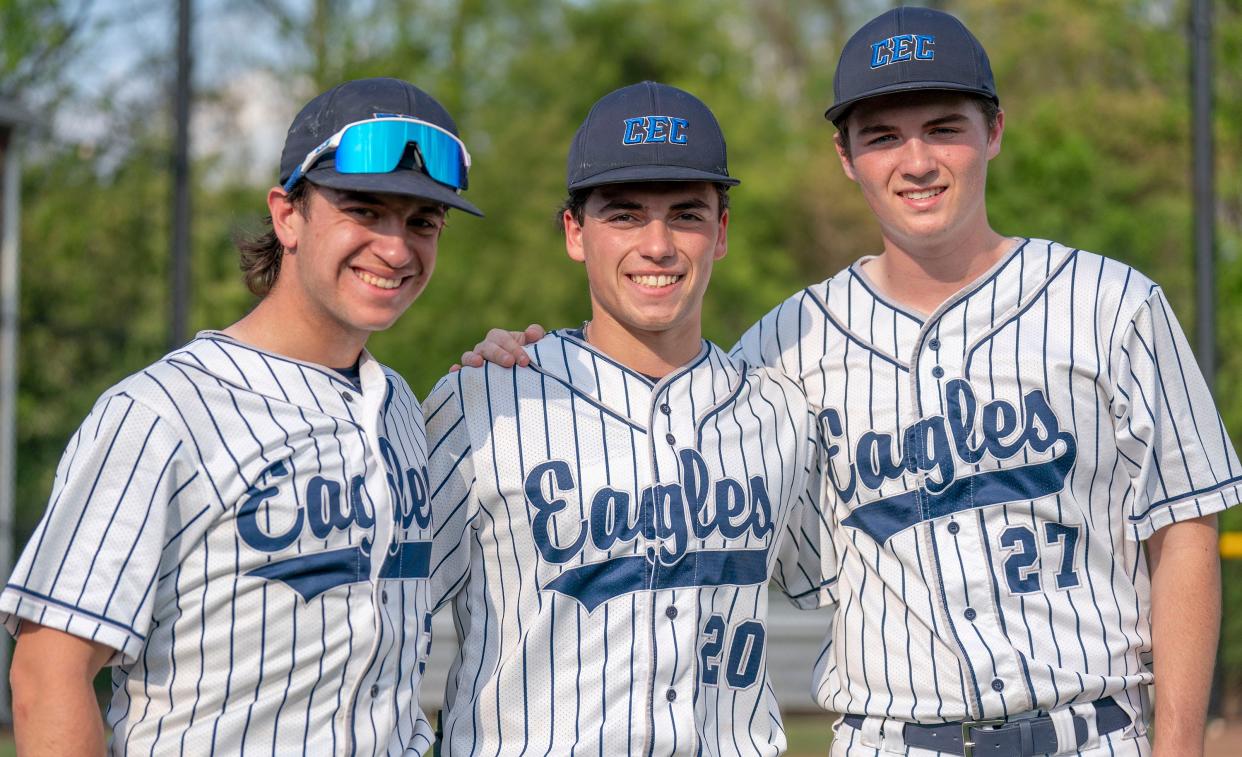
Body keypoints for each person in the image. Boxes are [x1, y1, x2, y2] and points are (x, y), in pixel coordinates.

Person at [466, 7, 1239, 756]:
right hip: (892, 737)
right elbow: (650, 408)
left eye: (943, 128)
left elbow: (1186, 532)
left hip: (1096, 730)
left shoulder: (1111, 303)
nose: (917, 161)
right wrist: (536, 355)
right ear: (845, 155)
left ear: (994, 130)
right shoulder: (781, 350)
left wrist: (1178, 746)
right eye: (882, 137)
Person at [2, 77, 481, 756]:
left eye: (421, 222)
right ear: (288, 215)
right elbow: (48, 672)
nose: (396, 249)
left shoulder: (400, 405)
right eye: (365, 211)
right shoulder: (161, 413)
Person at [424, 81, 830, 756]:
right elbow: (387, 618)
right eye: (625, 214)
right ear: (575, 232)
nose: (658, 244)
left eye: (686, 214)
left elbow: (844, 575)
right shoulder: (483, 401)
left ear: (721, 232)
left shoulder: (779, 412)